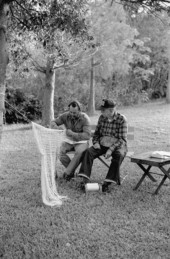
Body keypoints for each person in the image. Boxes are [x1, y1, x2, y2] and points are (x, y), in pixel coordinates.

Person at [77, 99, 128, 192]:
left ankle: (108, 183)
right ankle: (84, 180)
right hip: (103, 144)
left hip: (118, 145)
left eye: (103, 110)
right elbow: (96, 134)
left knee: (118, 155)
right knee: (88, 152)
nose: (101, 112)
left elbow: (122, 139)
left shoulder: (122, 119)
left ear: (110, 111)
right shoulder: (102, 118)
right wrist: (96, 143)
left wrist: (111, 149)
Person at [51, 100, 91, 181]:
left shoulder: (85, 118)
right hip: (69, 141)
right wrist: (57, 128)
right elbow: (53, 122)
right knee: (59, 151)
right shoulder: (65, 115)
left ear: (79, 110)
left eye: (75, 113)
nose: (72, 114)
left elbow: (87, 135)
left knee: (79, 152)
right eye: (71, 112)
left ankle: (67, 173)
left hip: (81, 142)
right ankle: (71, 172)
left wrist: (73, 134)